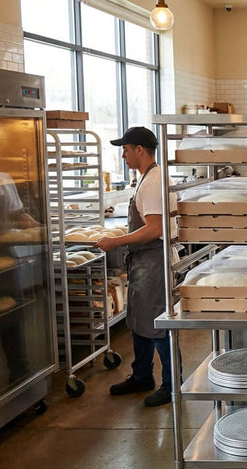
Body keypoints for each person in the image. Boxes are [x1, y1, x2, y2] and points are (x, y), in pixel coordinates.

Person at [95, 127, 178, 407]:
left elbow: (154, 229)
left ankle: (172, 386)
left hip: (154, 261)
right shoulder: (147, 177)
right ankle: (142, 375)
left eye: (126, 149)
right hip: (144, 262)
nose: (123, 155)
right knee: (140, 321)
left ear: (139, 150)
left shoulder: (153, 181)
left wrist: (116, 241)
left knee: (157, 324)